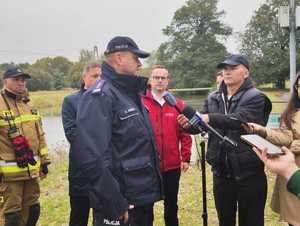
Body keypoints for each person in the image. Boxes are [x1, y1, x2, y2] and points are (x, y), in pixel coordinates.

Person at [73, 36, 163, 226]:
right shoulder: (100, 96)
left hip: (140, 199)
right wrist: (115, 203)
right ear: (120, 58)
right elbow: (91, 157)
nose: (140, 63)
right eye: (136, 58)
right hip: (121, 204)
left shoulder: (129, 93)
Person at [178, 54, 272, 226]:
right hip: (221, 173)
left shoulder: (256, 97)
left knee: (251, 221)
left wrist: (208, 118)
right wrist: (188, 125)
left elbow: (241, 120)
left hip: (249, 173)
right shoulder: (213, 97)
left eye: (233, 68)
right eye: (225, 68)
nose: (227, 72)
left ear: (246, 73)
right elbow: (202, 126)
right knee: (225, 221)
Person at [245, 72, 300, 226]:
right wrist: (262, 131)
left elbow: (289, 144)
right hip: (292, 170)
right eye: (299, 86)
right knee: (295, 219)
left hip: (290, 165)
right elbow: (285, 139)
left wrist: (293, 145)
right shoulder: (291, 114)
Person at [141, 66, 192, 226]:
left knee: (171, 205)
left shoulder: (176, 104)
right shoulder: (141, 101)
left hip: (171, 166)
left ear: (168, 80)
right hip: (148, 165)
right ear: (150, 80)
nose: (160, 81)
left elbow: (185, 132)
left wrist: (185, 157)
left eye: (163, 78)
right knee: (145, 207)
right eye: (156, 77)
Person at [0, 67, 50, 226]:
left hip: (31, 171)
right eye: (16, 79)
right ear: (5, 81)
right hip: (8, 176)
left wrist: (44, 161)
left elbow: (40, 134)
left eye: (23, 80)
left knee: (33, 210)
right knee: (11, 216)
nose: (21, 83)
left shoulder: (28, 104)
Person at [62, 62, 102, 226]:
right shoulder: (71, 101)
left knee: (104, 217)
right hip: (81, 171)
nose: (99, 79)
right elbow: (73, 134)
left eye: (101, 76)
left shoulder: (109, 100)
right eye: (94, 76)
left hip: (105, 172)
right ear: (84, 77)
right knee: (79, 216)